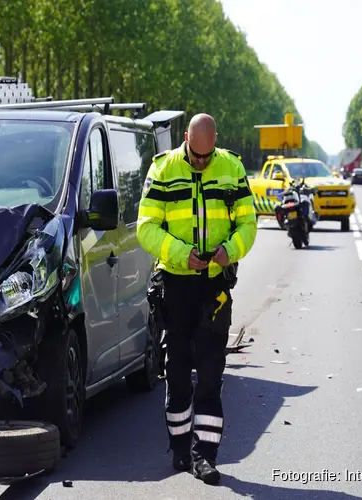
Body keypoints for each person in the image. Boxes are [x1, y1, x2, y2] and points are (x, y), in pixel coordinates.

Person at [136, 114, 257, 485]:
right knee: (177, 370)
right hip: (176, 282)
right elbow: (146, 226)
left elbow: (248, 222)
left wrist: (229, 251)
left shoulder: (232, 167)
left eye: (207, 157)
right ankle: (179, 448)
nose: (201, 163)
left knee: (210, 372)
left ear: (214, 142)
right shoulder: (164, 169)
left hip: (214, 286)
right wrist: (179, 253)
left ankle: (205, 455)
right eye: (195, 155)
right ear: (186, 138)